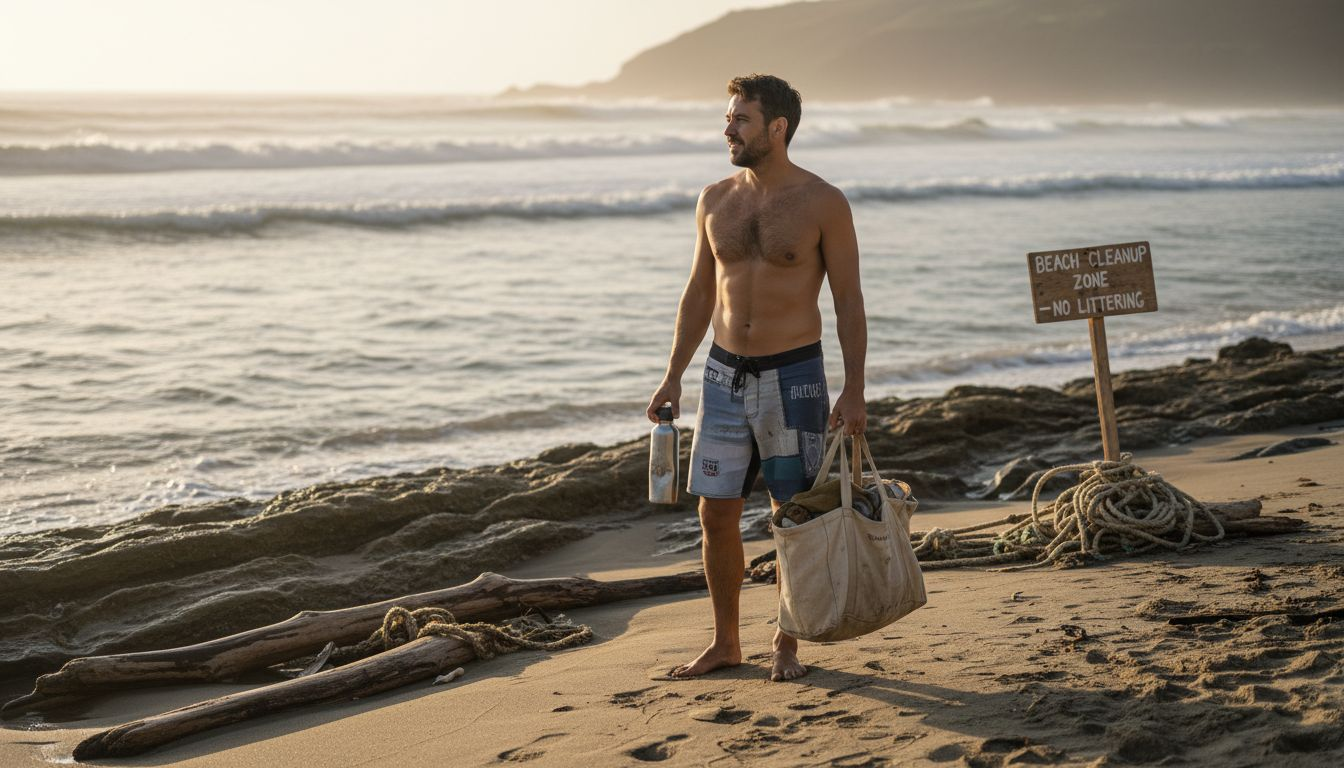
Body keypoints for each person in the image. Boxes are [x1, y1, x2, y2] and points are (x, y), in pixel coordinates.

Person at [645, 74, 867, 682]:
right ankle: (725, 643)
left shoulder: (824, 202)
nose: (728, 129)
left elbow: (848, 299)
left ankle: (787, 641)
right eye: (728, 117)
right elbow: (697, 293)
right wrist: (672, 377)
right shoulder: (714, 198)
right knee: (713, 513)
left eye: (740, 119)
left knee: (791, 514)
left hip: (794, 376)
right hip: (722, 377)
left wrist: (854, 388)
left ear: (778, 128)